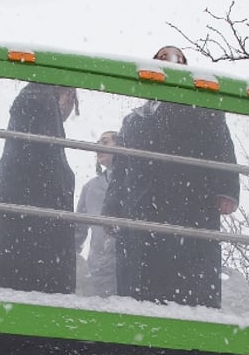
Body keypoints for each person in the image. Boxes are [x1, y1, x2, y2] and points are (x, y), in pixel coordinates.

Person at [103, 46, 240, 308]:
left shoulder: (203, 107)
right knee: (139, 286)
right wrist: (112, 207)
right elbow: (121, 168)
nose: (169, 61)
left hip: (189, 206)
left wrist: (227, 190)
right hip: (141, 210)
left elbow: (222, 146)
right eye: (162, 57)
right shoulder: (133, 120)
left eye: (176, 57)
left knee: (189, 283)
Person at [0, 82, 78, 294]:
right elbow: (46, 167)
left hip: (14, 239)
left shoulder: (37, 103)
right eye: (72, 101)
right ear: (69, 94)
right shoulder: (39, 100)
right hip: (27, 246)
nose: (70, 109)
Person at [75, 130, 119, 297]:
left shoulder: (134, 182)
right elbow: (78, 233)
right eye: (97, 144)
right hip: (97, 271)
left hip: (125, 268)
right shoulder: (90, 188)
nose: (98, 148)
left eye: (105, 142)